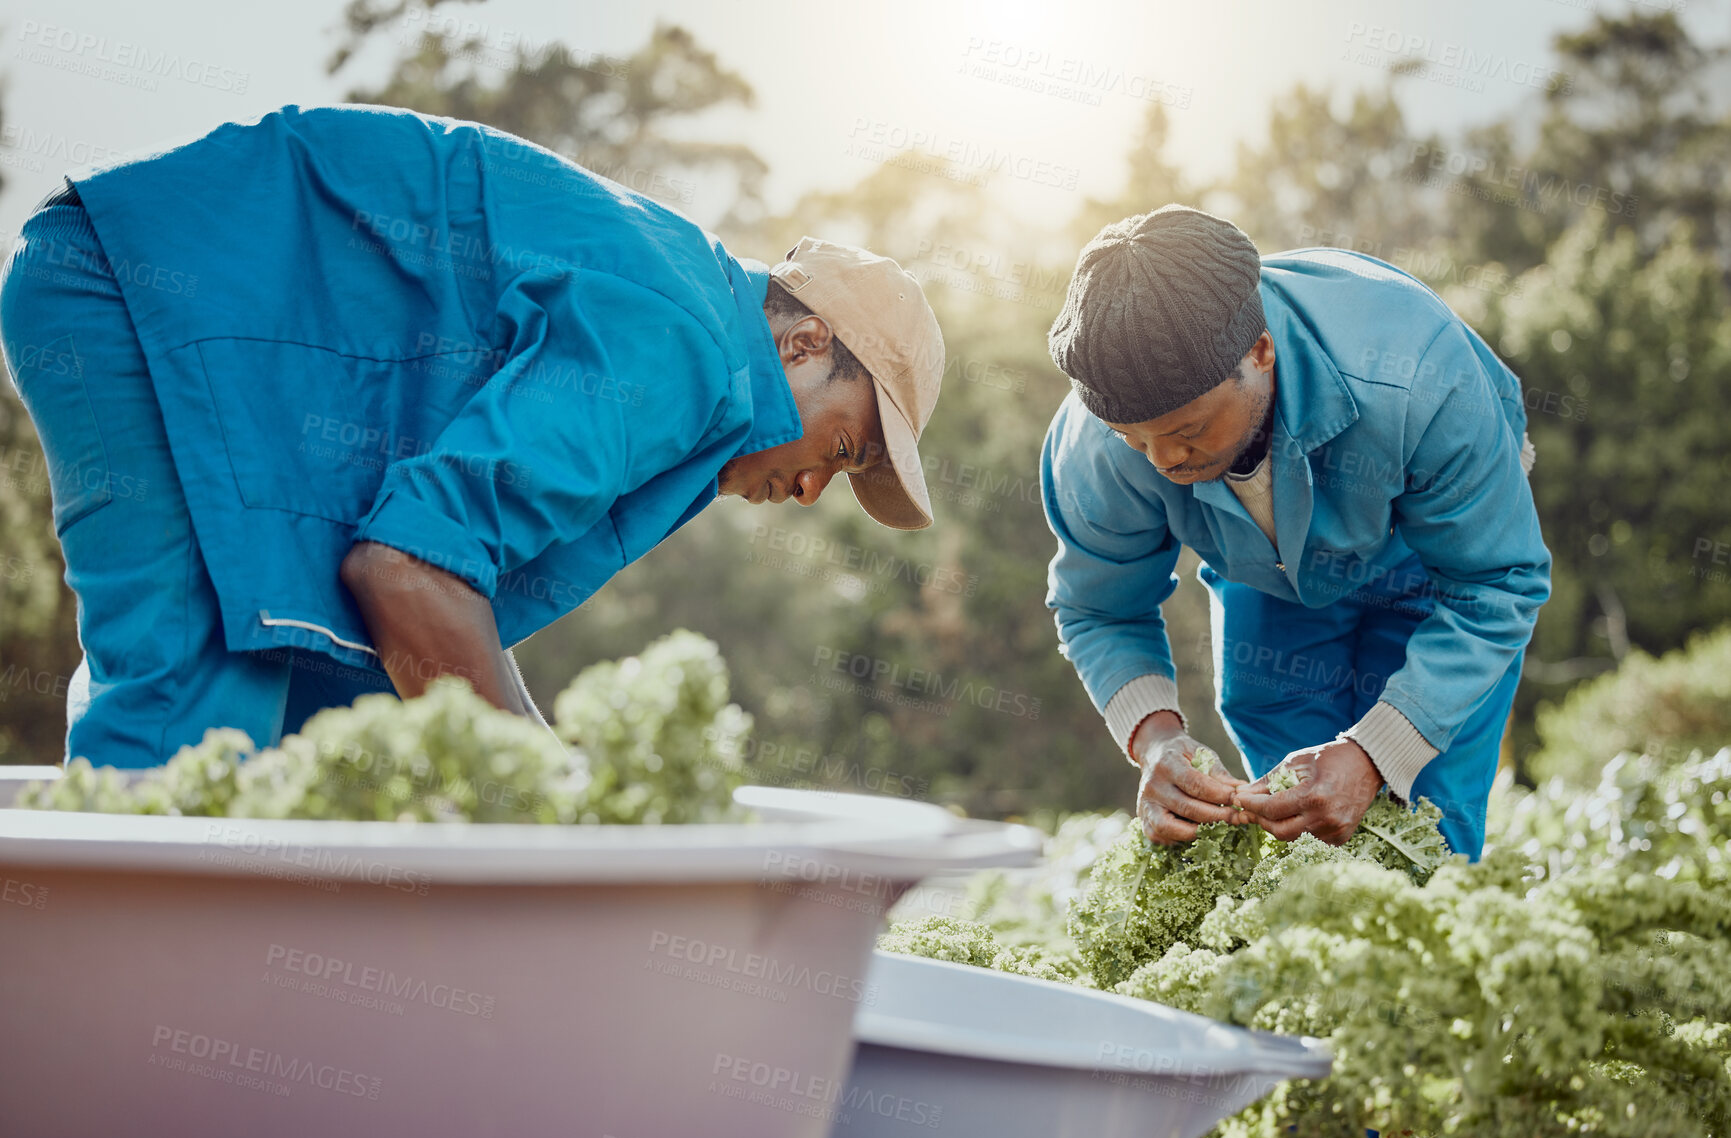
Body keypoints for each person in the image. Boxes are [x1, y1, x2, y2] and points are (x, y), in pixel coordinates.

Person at [0, 103, 945, 772]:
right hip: (147, 294)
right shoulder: (683, 342)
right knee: (194, 723)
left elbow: (415, 616)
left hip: (172, 312)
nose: (815, 491)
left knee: (320, 734)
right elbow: (407, 571)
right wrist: (559, 803)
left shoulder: (690, 330)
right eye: (844, 450)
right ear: (807, 340)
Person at [1040, 205, 1549, 858]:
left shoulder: (1414, 376)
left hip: (1430, 555)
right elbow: (1097, 608)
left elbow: (1494, 582)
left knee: (1421, 823)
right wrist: (1157, 740)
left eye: (1188, 432)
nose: (1164, 461)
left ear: (1259, 351)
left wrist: (1374, 752)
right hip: (1264, 570)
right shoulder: (1097, 446)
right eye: (1135, 442)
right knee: (1298, 814)